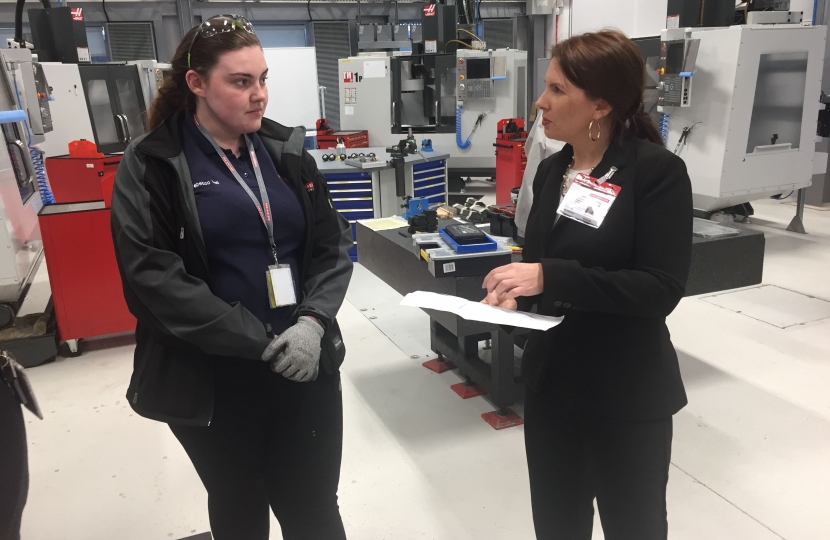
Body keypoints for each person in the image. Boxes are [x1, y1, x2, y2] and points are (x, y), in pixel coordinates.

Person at [111, 15, 353, 540]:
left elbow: (332, 247)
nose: (259, 95)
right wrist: (259, 341)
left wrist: (312, 323)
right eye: (241, 82)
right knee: (240, 506)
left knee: (314, 508)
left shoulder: (285, 152)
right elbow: (151, 277)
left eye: (262, 79)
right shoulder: (153, 163)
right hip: (214, 380)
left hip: (304, 364)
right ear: (196, 83)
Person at [482, 30, 693, 539]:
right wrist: (516, 290)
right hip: (553, 385)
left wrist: (551, 275)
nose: (541, 102)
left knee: (633, 526)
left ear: (600, 104)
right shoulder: (552, 170)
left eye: (556, 90)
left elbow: (660, 288)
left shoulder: (655, 172)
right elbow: (542, 264)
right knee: (556, 525)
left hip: (624, 391)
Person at [514, 109, 564, 239]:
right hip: (537, 230)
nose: (541, 101)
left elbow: (531, 146)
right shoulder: (550, 164)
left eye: (558, 89)